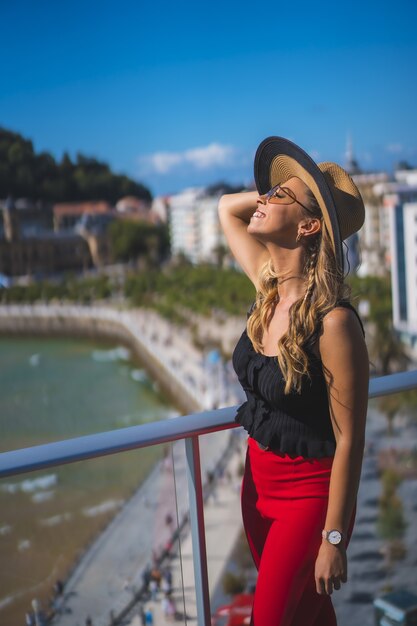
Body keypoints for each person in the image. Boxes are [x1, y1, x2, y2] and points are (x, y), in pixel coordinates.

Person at [218, 136, 369, 626]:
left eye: (280, 196)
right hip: (256, 490)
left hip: (308, 501)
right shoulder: (268, 287)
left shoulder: (334, 323)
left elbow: (350, 441)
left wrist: (334, 540)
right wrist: (278, 193)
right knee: (308, 615)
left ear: (308, 226)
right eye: (268, 192)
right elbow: (225, 209)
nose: (263, 199)